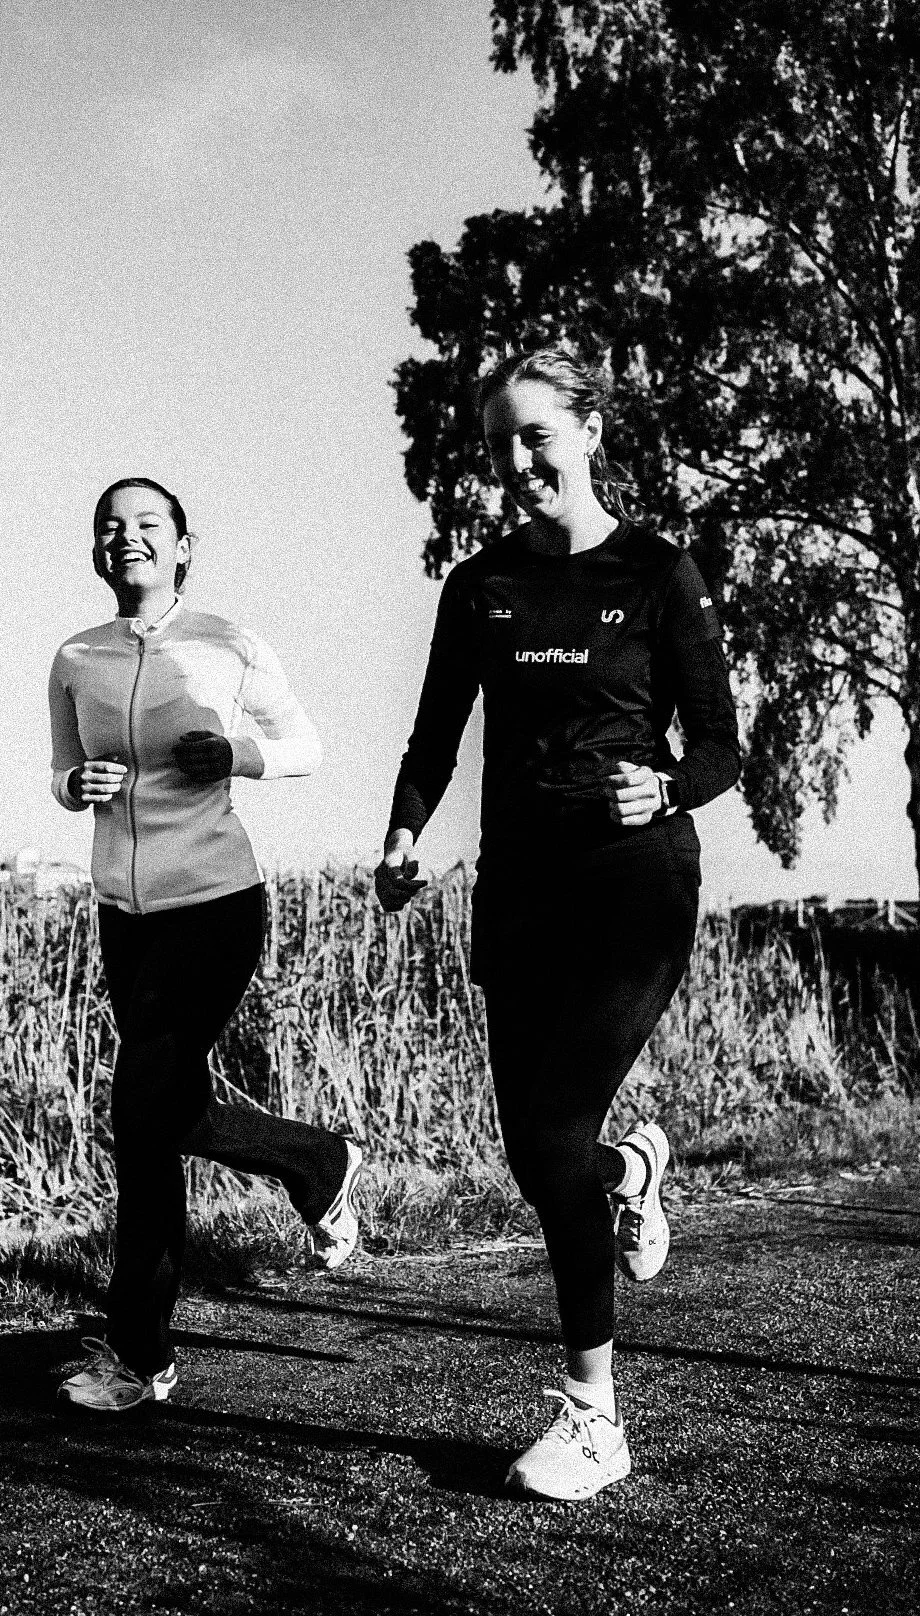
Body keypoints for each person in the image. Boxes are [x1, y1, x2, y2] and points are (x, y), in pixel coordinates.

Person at [375, 346, 740, 1500]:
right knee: (538, 1150)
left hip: (634, 881)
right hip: (520, 887)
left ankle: (595, 1418)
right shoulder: (478, 586)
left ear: (588, 430)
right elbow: (435, 736)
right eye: (498, 444)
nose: (517, 460)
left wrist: (669, 782)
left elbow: (722, 745)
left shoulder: (657, 570)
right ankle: (629, 1166)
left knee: (544, 1134)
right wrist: (402, 833)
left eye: (536, 434)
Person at [49, 476, 362, 1413]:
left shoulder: (226, 642)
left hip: (217, 900)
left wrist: (237, 756)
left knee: (139, 1111)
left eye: (148, 524)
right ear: (97, 550)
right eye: (111, 526)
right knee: (155, 1115)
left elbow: (304, 742)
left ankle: (139, 1357)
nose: (127, 537)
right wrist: (81, 784)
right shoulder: (75, 656)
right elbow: (61, 771)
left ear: (184, 546)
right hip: (124, 912)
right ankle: (316, 1162)